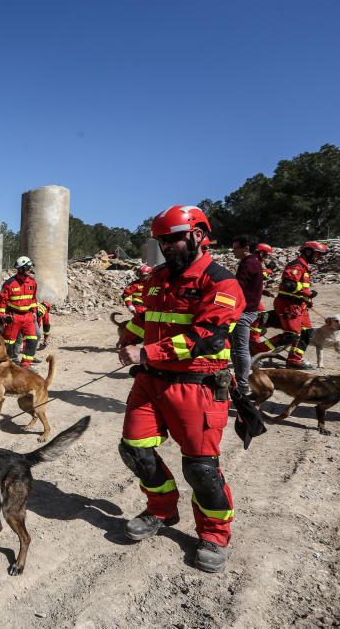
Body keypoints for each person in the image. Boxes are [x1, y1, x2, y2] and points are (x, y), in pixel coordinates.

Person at [117, 205, 244, 573]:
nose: (167, 246)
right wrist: (129, 337)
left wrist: (146, 351)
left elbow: (207, 336)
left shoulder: (221, 283)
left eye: (174, 238)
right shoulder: (157, 277)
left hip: (196, 386)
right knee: (135, 450)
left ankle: (215, 535)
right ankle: (162, 510)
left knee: (201, 468)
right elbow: (145, 318)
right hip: (150, 382)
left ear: (199, 236)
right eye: (161, 240)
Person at [268, 241, 329, 368]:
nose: (318, 258)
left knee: (307, 333)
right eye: (317, 255)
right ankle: (256, 349)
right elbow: (289, 285)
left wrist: (307, 300)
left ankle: (294, 360)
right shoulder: (297, 265)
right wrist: (308, 292)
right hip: (288, 305)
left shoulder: (304, 266)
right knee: (293, 335)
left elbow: (297, 287)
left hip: (299, 305)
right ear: (308, 252)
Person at [231, 237, 270, 394]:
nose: (233, 251)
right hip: (248, 309)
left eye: (235, 248)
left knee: (240, 349)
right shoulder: (254, 261)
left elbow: (237, 286)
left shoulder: (248, 263)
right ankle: (240, 379)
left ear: (246, 248)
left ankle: (243, 385)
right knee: (236, 348)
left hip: (244, 311)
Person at [0, 256, 39, 367]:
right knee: (9, 343)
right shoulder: (9, 284)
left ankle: (25, 365)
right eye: (28, 267)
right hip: (13, 317)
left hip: (28, 316)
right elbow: (1, 302)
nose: (30, 269)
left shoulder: (32, 283)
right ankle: (8, 363)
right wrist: (1, 317)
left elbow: (33, 299)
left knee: (32, 340)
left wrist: (33, 311)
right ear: (21, 269)